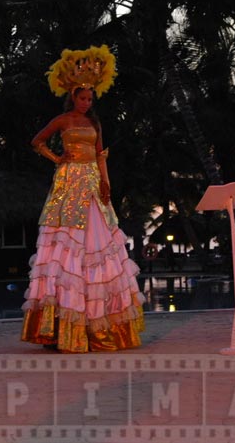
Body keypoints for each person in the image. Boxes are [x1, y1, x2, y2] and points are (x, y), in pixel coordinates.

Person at [20, 45, 145, 353]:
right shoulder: (63, 120)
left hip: (90, 182)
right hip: (68, 183)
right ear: (73, 96)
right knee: (65, 245)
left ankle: (98, 322)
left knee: (98, 243)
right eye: (82, 98)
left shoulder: (94, 124)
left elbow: (101, 156)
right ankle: (60, 325)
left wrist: (106, 184)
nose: (87, 103)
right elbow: (37, 141)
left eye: (90, 99)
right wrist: (56, 158)